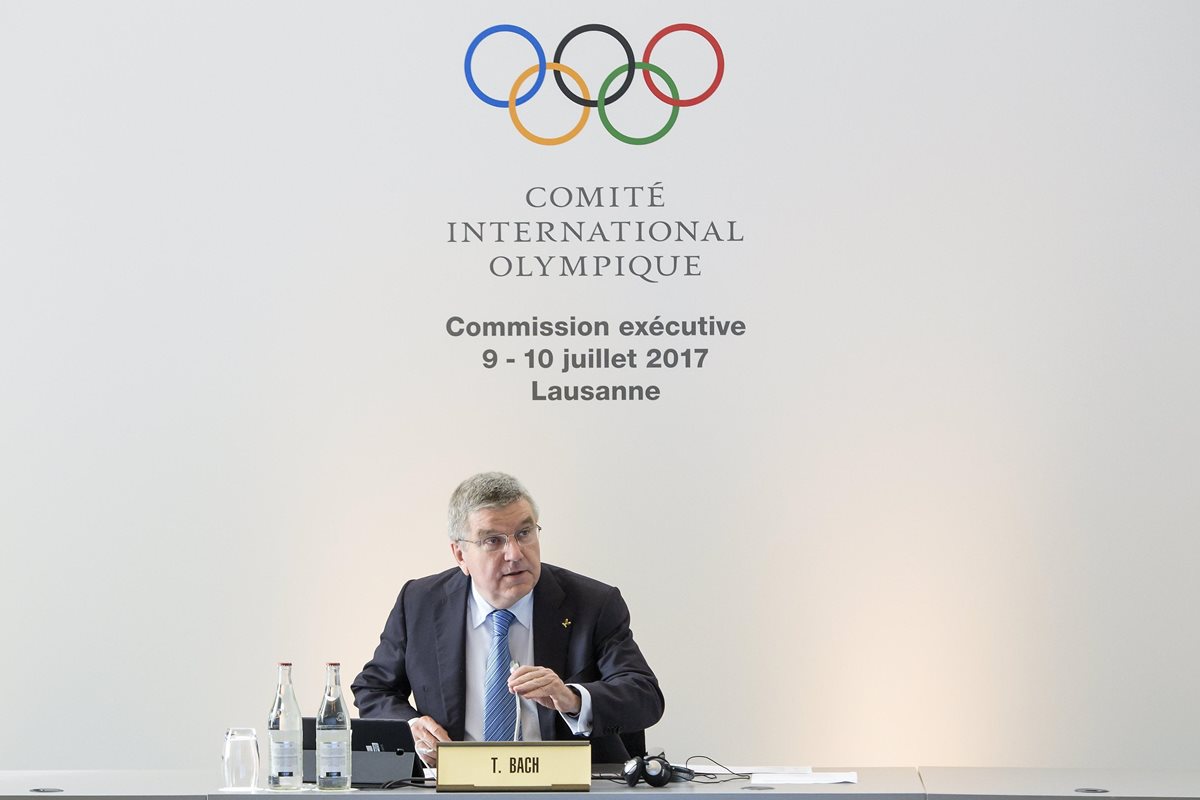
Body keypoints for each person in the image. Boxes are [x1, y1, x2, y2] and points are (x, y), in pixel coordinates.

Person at [351, 472, 664, 766]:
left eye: (524, 533)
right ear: (460, 555)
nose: (515, 553)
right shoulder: (420, 602)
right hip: (455, 785)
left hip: (566, 787)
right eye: (493, 540)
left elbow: (644, 695)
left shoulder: (592, 603)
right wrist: (410, 727)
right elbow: (374, 689)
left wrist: (572, 699)